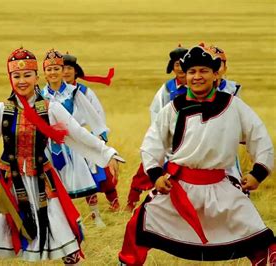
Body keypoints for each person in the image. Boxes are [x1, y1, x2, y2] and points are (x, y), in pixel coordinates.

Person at [0, 47, 123, 265]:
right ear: (10, 78)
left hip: (42, 180)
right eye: (17, 76)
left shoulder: (51, 108)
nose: (22, 81)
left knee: (64, 239)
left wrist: (108, 153)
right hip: (6, 180)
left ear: (36, 77)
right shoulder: (3, 110)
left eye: (27, 75)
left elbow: (77, 135)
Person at [118, 45, 275, 265]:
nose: (197, 76)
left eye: (203, 71)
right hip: (178, 187)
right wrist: (156, 176)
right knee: (137, 227)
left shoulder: (233, 106)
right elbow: (152, 143)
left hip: (221, 187)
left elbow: (259, 136)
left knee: (261, 239)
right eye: (192, 72)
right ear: (185, 75)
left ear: (216, 74)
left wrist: (258, 173)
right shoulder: (173, 107)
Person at [41, 49, 123, 228]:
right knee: (54, 182)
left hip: (74, 141)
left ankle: (96, 215)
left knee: (84, 177)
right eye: (49, 69)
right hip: (50, 144)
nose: (53, 73)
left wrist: (100, 136)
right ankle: (66, 220)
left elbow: (91, 113)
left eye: (57, 69)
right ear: (44, 73)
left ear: (62, 71)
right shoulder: (40, 95)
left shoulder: (74, 92)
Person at [125, 45, 188, 211]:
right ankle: (131, 202)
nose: (180, 68)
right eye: (176, 65)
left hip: (190, 136)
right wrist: (160, 132)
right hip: (168, 135)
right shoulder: (168, 88)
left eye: (183, 64)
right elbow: (156, 109)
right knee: (147, 168)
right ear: (172, 67)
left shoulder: (197, 85)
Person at [62, 53, 120, 212]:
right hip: (61, 141)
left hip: (84, 138)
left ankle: (113, 204)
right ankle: (82, 214)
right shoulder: (49, 94)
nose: (65, 72)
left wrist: (99, 137)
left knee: (99, 174)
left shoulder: (85, 92)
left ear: (76, 71)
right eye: (62, 68)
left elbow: (98, 114)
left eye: (69, 68)